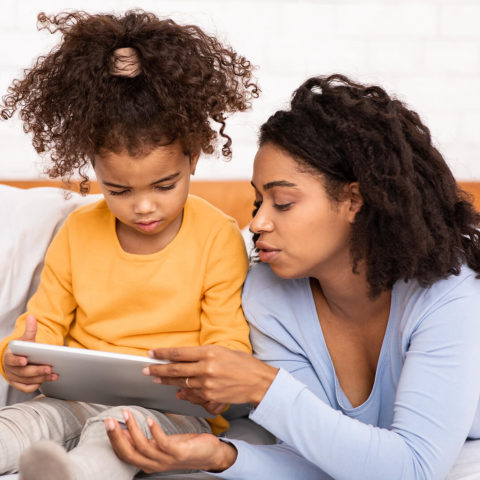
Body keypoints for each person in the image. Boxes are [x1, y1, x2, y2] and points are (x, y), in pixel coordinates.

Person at [106, 74, 480, 479]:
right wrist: (220, 456)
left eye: (282, 203)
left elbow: (414, 469)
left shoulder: (447, 288)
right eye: (257, 201)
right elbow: (323, 459)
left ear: (354, 200)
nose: (257, 222)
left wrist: (263, 387)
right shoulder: (269, 293)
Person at [0, 10, 259, 480]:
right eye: (118, 191)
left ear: (193, 157)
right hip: (75, 397)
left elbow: (227, 340)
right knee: (23, 421)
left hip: (176, 411)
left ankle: (75, 475)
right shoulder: (78, 231)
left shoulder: (216, 236)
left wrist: (218, 383)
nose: (143, 207)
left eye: (164, 185)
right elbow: (43, 325)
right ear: (95, 170)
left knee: (119, 429)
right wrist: (16, 357)